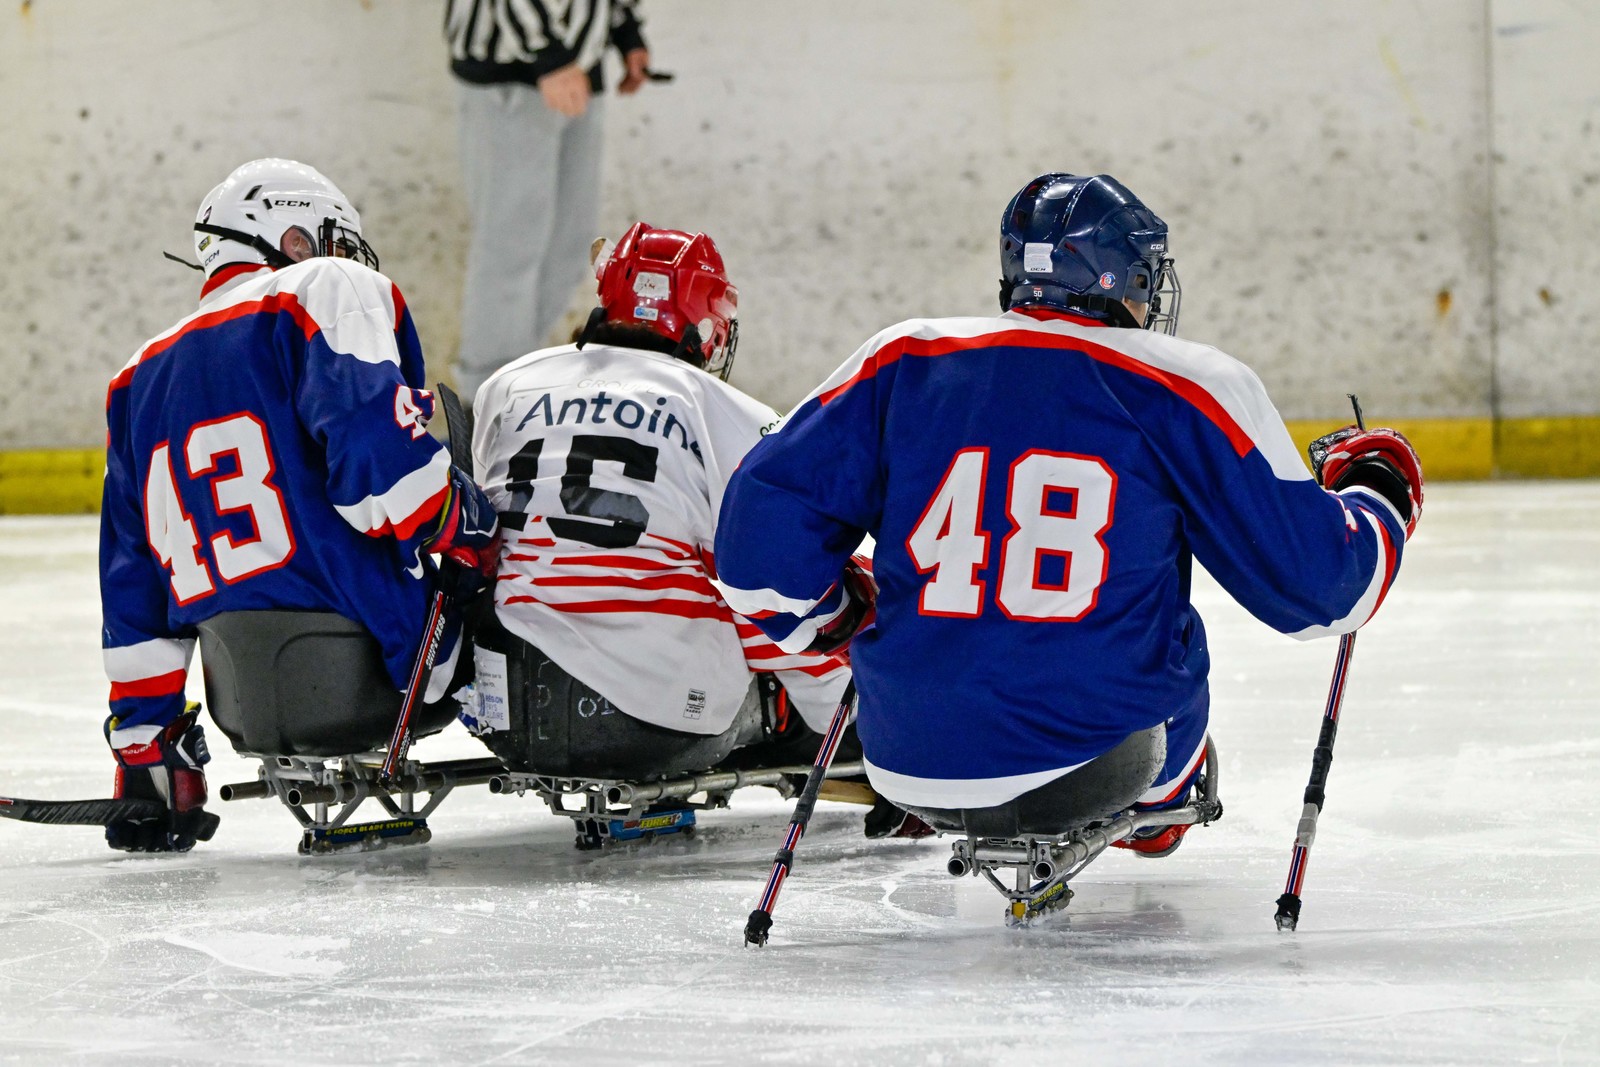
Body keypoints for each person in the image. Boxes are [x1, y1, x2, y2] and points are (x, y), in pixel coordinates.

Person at [712, 172, 1424, 855]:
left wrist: (839, 616)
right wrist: (1379, 490)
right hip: (1096, 758)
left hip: (901, 759)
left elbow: (755, 545)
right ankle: (1155, 810)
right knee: (1173, 628)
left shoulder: (901, 358)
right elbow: (1324, 591)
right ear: (1130, 279)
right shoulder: (1185, 383)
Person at [100, 158, 498, 853]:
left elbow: (132, 583)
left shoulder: (136, 375)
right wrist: (470, 522)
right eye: (333, 238)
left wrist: (145, 746)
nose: (344, 257)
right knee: (526, 557)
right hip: (380, 662)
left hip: (244, 694)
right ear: (293, 239)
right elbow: (386, 480)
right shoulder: (321, 286)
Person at [466, 223, 867, 794]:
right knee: (787, 579)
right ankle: (845, 738)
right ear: (702, 321)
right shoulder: (726, 411)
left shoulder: (506, 385)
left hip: (506, 707)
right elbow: (773, 575)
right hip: (653, 717)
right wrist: (856, 722)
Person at [446, 0, 652, 398]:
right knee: (510, 249)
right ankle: (482, 401)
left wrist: (625, 30)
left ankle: (516, 388)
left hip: (577, 69)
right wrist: (548, 54)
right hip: (509, 71)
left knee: (569, 247)